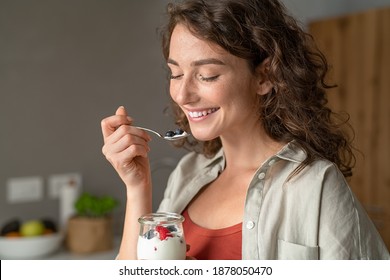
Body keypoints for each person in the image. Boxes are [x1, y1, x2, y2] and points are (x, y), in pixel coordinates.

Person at [101, 0, 389, 260]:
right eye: (176, 74)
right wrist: (138, 187)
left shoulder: (316, 186)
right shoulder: (187, 174)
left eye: (207, 75)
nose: (182, 94)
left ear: (265, 76)